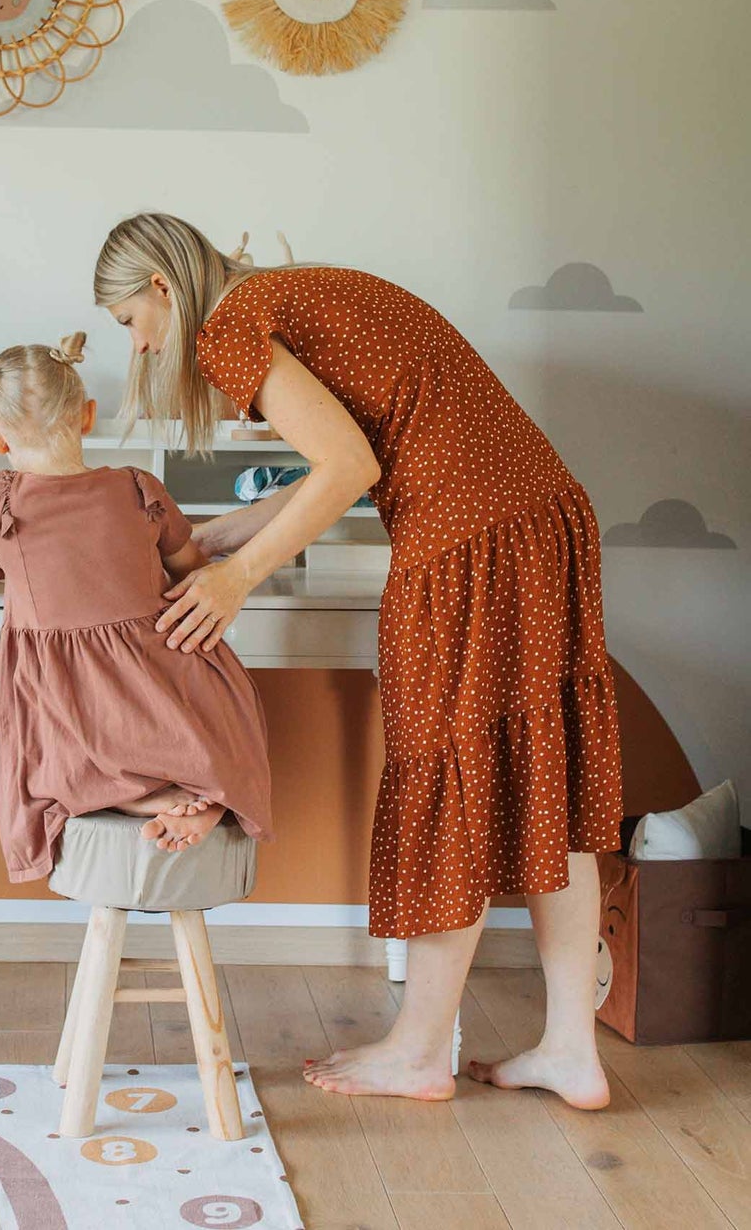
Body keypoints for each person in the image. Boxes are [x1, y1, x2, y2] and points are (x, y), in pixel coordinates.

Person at [94, 212, 622, 1109]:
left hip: (467, 541)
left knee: (445, 779)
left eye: (130, 325)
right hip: (540, 514)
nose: (139, 347)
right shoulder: (292, 292)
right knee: (545, 780)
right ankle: (571, 1046)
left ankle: (420, 1050)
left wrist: (237, 582)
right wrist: (221, 536)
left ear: (160, 290)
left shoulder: (230, 323)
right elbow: (354, 455)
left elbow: (343, 464)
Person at [0, 332, 273, 885]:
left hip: (76, 697)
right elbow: (187, 564)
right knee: (215, 723)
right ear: (87, 416)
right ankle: (200, 792)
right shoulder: (138, 486)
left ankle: (145, 801)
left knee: (59, 757)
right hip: (162, 679)